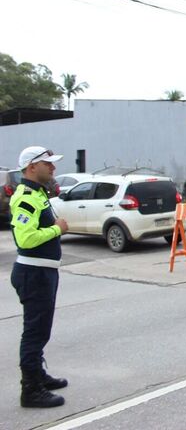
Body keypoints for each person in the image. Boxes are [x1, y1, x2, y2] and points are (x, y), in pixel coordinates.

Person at [10, 146, 69, 408]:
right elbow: (26, 238)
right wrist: (56, 229)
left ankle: (38, 375)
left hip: (43, 270)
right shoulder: (25, 196)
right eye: (48, 164)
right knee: (34, 333)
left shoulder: (37, 193)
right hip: (33, 272)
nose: (53, 168)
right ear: (32, 167)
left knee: (41, 330)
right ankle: (31, 389)